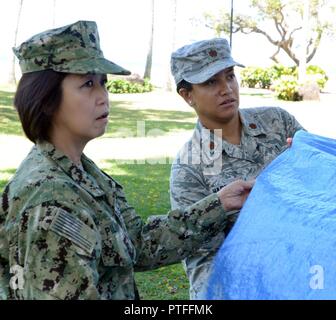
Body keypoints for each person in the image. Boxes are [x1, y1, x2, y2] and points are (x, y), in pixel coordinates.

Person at [0, 21, 254, 300]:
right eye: (87, 84)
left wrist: (219, 204)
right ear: (46, 98)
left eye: (103, 83)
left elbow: (138, 243)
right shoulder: (49, 197)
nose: (103, 97)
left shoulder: (79, 172)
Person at [169, 38, 304, 299]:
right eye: (211, 82)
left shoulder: (278, 121)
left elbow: (322, 180)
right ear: (187, 95)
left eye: (230, 76)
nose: (227, 89)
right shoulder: (189, 169)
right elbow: (201, 259)